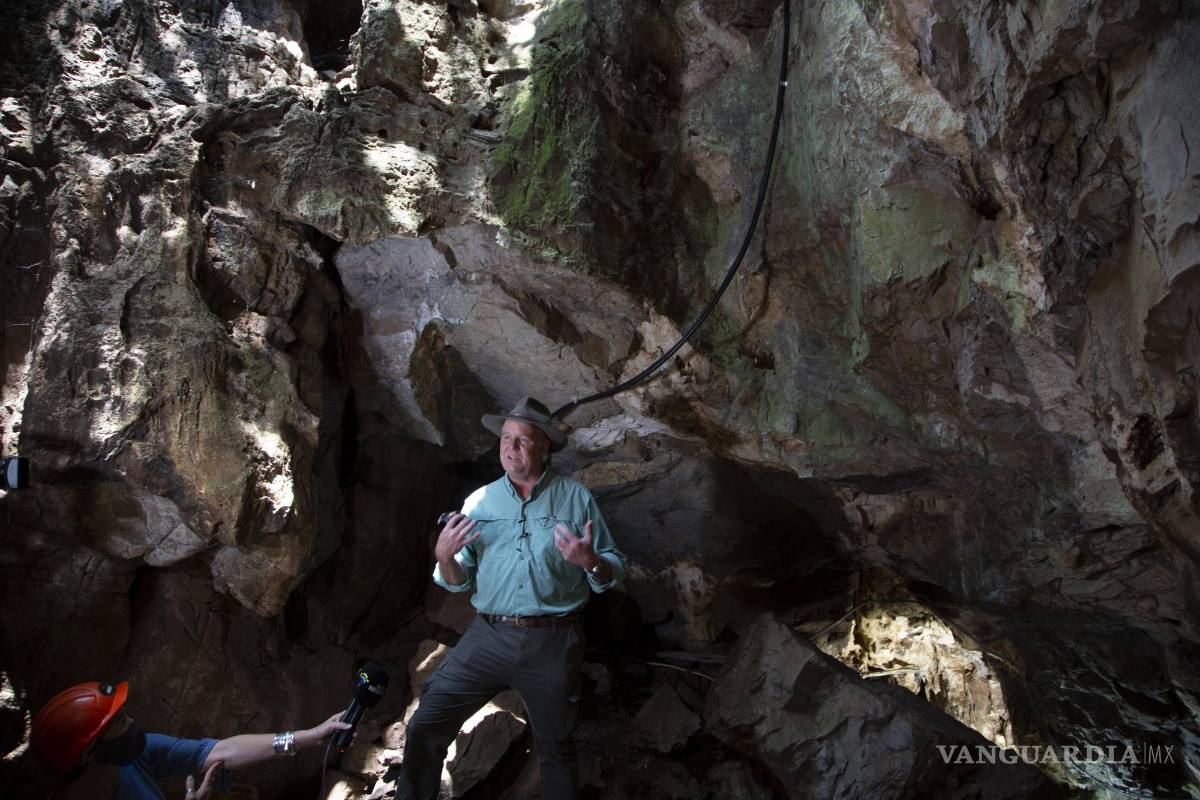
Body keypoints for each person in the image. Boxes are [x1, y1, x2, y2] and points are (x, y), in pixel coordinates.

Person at [396, 396, 628, 800]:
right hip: (487, 637)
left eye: (522, 439)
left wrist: (590, 562)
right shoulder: (479, 501)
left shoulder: (575, 499)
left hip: (552, 640)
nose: (510, 447)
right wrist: (444, 557)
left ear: (545, 446)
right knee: (425, 725)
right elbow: (457, 580)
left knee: (557, 749)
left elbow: (613, 567)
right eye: (505, 438)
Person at [30, 680, 351, 799]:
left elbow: (222, 751)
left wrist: (309, 737)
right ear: (89, 752)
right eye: (119, 722)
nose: (132, 723)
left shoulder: (133, 760)